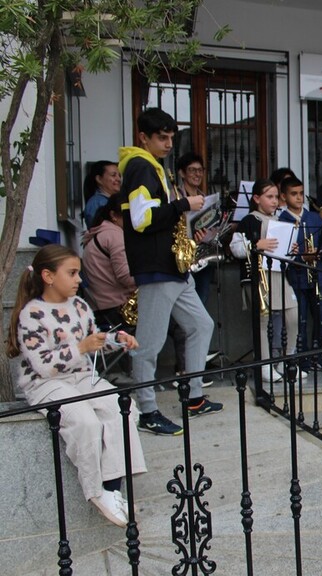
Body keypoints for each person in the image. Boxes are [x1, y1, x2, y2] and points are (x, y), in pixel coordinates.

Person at [5, 244, 146, 527]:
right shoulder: (31, 314)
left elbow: (94, 340)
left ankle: (112, 488)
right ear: (48, 276)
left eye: (78, 273)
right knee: (84, 421)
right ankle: (96, 491)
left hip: (80, 376)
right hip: (45, 383)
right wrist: (81, 347)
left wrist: (117, 340)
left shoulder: (80, 306)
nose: (78, 280)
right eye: (72, 273)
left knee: (122, 408)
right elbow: (43, 364)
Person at [118, 107, 222, 436]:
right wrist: (183, 206)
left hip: (173, 267)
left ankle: (193, 398)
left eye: (171, 137)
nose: (167, 143)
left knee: (201, 325)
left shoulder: (151, 167)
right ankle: (147, 410)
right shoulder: (139, 166)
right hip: (157, 268)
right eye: (161, 137)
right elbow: (141, 219)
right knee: (149, 342)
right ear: (143, 137)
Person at [229, 178, 299, 383]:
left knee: (293, 315)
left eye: (276, 197)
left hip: (279, 275)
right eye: (269, 197)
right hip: (259, 277)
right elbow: (236, 249)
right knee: (263, 321)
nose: (274, 201)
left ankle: (285, 360)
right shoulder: (249, 221)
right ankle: (264, 365)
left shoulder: (280, 219)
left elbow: (284, 251)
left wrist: (291, 251)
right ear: (257, 199)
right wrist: (255, 244)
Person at [277, 176, 322, 354]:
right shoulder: (281, 221)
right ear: (284, 196)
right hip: (296, 277)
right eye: (293, 194)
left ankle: (320, 355)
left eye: (301, 193)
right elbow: (282, 249)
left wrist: (318, 252)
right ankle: (302, 357)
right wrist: (301, 257)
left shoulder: (314, 218)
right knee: (300, 319)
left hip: (317, 275)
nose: (299, 198)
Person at [81, 197, 136, 331]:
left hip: (100, 305)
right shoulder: (115, 236)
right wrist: (148, 276)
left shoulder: (99, 232)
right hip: (116, 309)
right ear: (114, 216)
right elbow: (125, 276)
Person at [174, 152, 213, 303]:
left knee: (201, 300)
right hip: (182, 258)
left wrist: (206, 236)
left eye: (200, 170)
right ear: (182, 173)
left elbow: (213, 227)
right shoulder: (174, 196)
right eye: (192, 170)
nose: (197, 174)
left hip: (202, 257)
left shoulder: (206, 198)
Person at [83, 161, 122, 229]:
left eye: (119, 175)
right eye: (113, 175)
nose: (118, 179)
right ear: (99, 179)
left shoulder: (109, 200)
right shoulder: (96, 203)